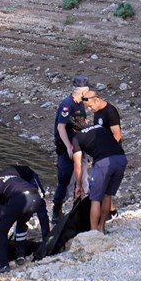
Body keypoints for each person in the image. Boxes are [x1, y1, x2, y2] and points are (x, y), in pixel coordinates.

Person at [0, 169, 50, 273]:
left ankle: (3, 265)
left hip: (20, 200)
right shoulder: (10, 177)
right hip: (35, 198)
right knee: (21, 223)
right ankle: (20, 256)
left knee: (1, 231)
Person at [69, 114, 128, 234]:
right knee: (107, 195)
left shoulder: (76, 138)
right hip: (121, 158)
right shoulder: (100, 127)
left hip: (104, 162)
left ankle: (94, 232)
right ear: (85, 121)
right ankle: (101, 228)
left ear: (73, 129)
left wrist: (79, 185)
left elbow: (78, 164)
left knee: (95, 198)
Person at [53, 76, 89, 219]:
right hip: (67, 148)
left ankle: (79, 208)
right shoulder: (67, 105)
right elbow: (60, 127)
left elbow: (82, 123)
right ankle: (57, 210)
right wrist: (68, 146)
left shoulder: (80, 103)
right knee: (65, 179)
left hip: (80, 145)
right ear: (81, 91)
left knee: (83, 178)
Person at [83, 89, 122, 220]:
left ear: (97, 100)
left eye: (90, 106)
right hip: (100, 153)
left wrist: (106, 148)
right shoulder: (97, 112)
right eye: (87, 107)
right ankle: (112, 212)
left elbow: (117, 135)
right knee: (104, 187)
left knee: (104, 187)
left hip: (110, 153)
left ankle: (109, 214)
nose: (89, 109)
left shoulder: (110, 112)